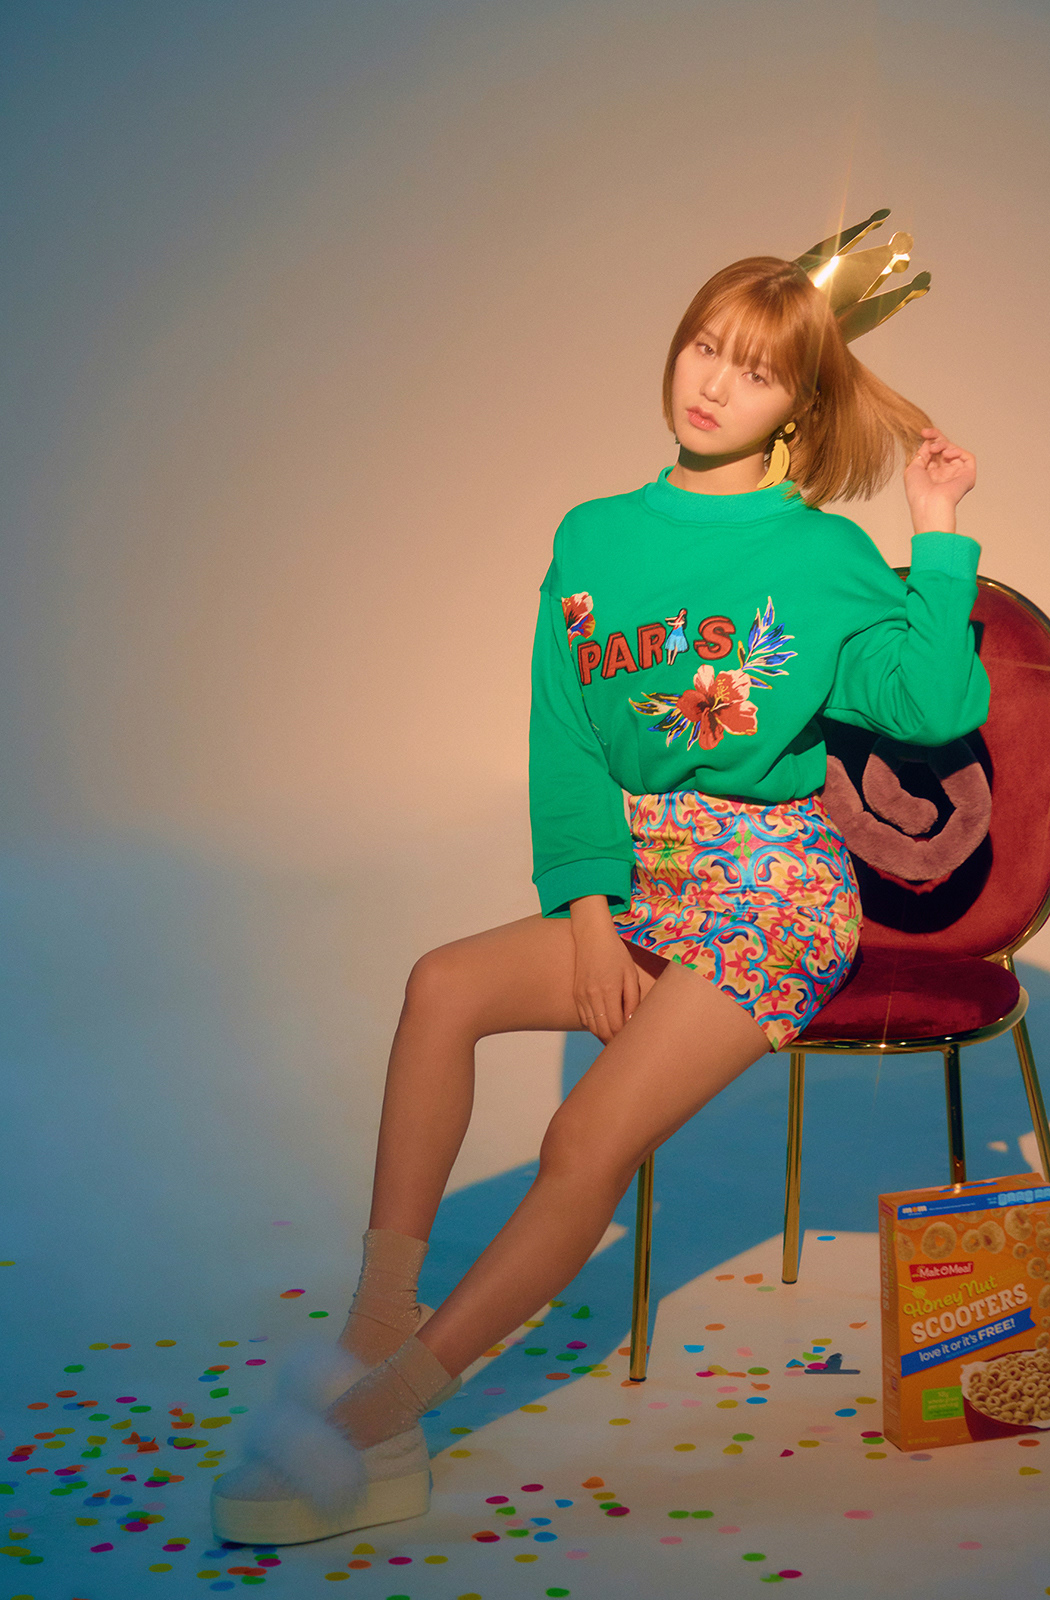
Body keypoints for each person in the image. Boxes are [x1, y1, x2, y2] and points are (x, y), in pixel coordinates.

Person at [212, 213, 989, 1545]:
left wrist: (936, 529)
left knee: (582, 1142)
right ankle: (375, 1325)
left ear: (799, 406)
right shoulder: (592, 536)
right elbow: (564, 736)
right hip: (637, 881)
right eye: (703, 347)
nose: (712, 383)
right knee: (440, 985)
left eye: (753, 370)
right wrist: (585, 912)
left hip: (774, 895)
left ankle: (375, 1422)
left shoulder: (819, 555)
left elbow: (933, 705)